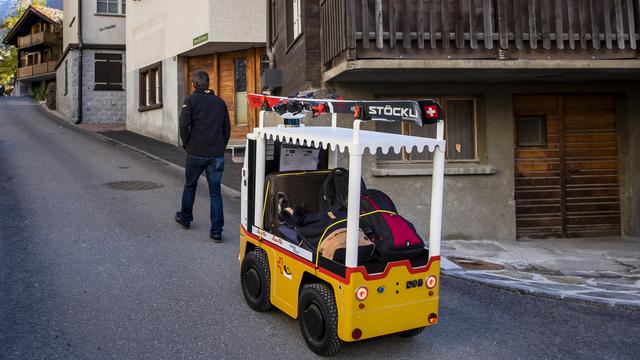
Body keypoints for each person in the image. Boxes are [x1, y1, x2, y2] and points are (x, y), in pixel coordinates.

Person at [175, 70, 231, 242]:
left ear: (194, 84)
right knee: (215, 193)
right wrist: (221, 147)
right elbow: (227, 129)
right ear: (208, 83)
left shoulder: (190, 101)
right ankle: (216, 231)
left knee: (190, 186)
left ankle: (185, 219)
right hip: (216, 154)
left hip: (196, 152)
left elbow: (183, 126)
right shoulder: (220, 103)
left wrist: (186, 144)